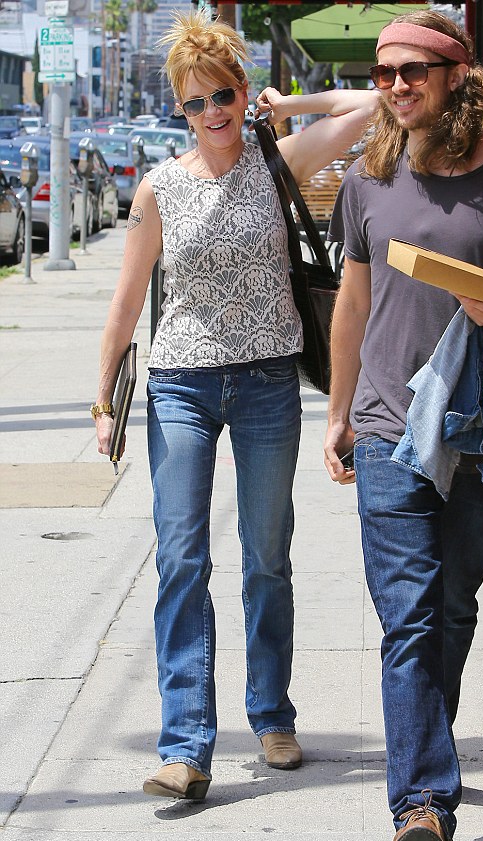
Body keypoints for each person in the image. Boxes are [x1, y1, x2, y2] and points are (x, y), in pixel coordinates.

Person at [92, 10, 379, 801]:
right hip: (181, 384)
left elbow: (369, 108)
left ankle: (272, 714)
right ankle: (185, 744)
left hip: (265, 386)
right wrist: (104, 395)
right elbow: (125, 304)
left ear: (242, 93)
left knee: (265, 558)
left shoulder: (275, 159)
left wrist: (288, 110)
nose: (212, 114)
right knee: (182, 557)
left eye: (223, 95)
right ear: (177, 110)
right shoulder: (158, 189)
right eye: (194, 103)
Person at [323, 9, 483, 841]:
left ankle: (423, 743)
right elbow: (352, 301)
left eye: (413, 71)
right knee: (410, 616)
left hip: (480, 429)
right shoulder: (367, 178)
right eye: (386, 72)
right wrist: (339, 410)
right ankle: (423, 801)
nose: (396, 85)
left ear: (458, 75)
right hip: (391, 428)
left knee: (453, 607)